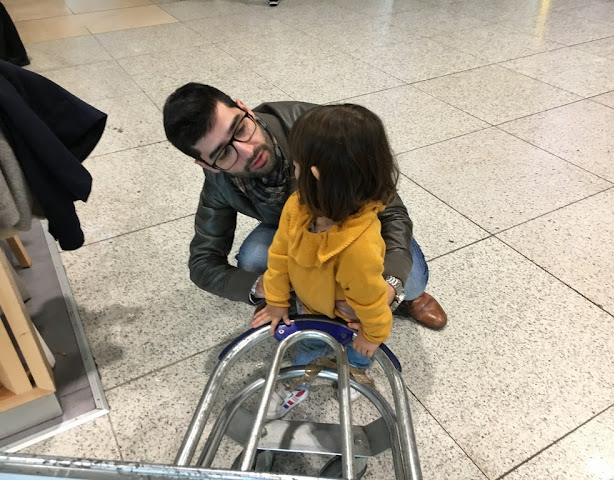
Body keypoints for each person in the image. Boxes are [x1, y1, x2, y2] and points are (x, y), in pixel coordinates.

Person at [162, 83, 447, 329]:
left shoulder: (318, 129)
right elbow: (202, 263)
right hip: (297, 229)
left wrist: (390, 284)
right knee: (253, 258)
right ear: (206, 165)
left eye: (240, 128)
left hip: (359, 225)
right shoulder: (219, 182)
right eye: (224, 153)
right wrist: (269, 287)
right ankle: (310, 299)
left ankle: (410, 299)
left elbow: (391, 210)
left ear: (244, 108)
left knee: (412, 280)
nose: (248, 151)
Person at [251, 104, 397, 417]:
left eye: (297, 165)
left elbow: (371, 299)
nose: (294, 172)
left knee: (358, 352)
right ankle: (297, 383)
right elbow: (279, 255)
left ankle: (354, 374)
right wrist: (276, 300)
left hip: (353, 319)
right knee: (310, 346)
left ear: (315, 174)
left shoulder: (358, 245)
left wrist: (373, 335)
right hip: (311, 308)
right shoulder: (298, 206)